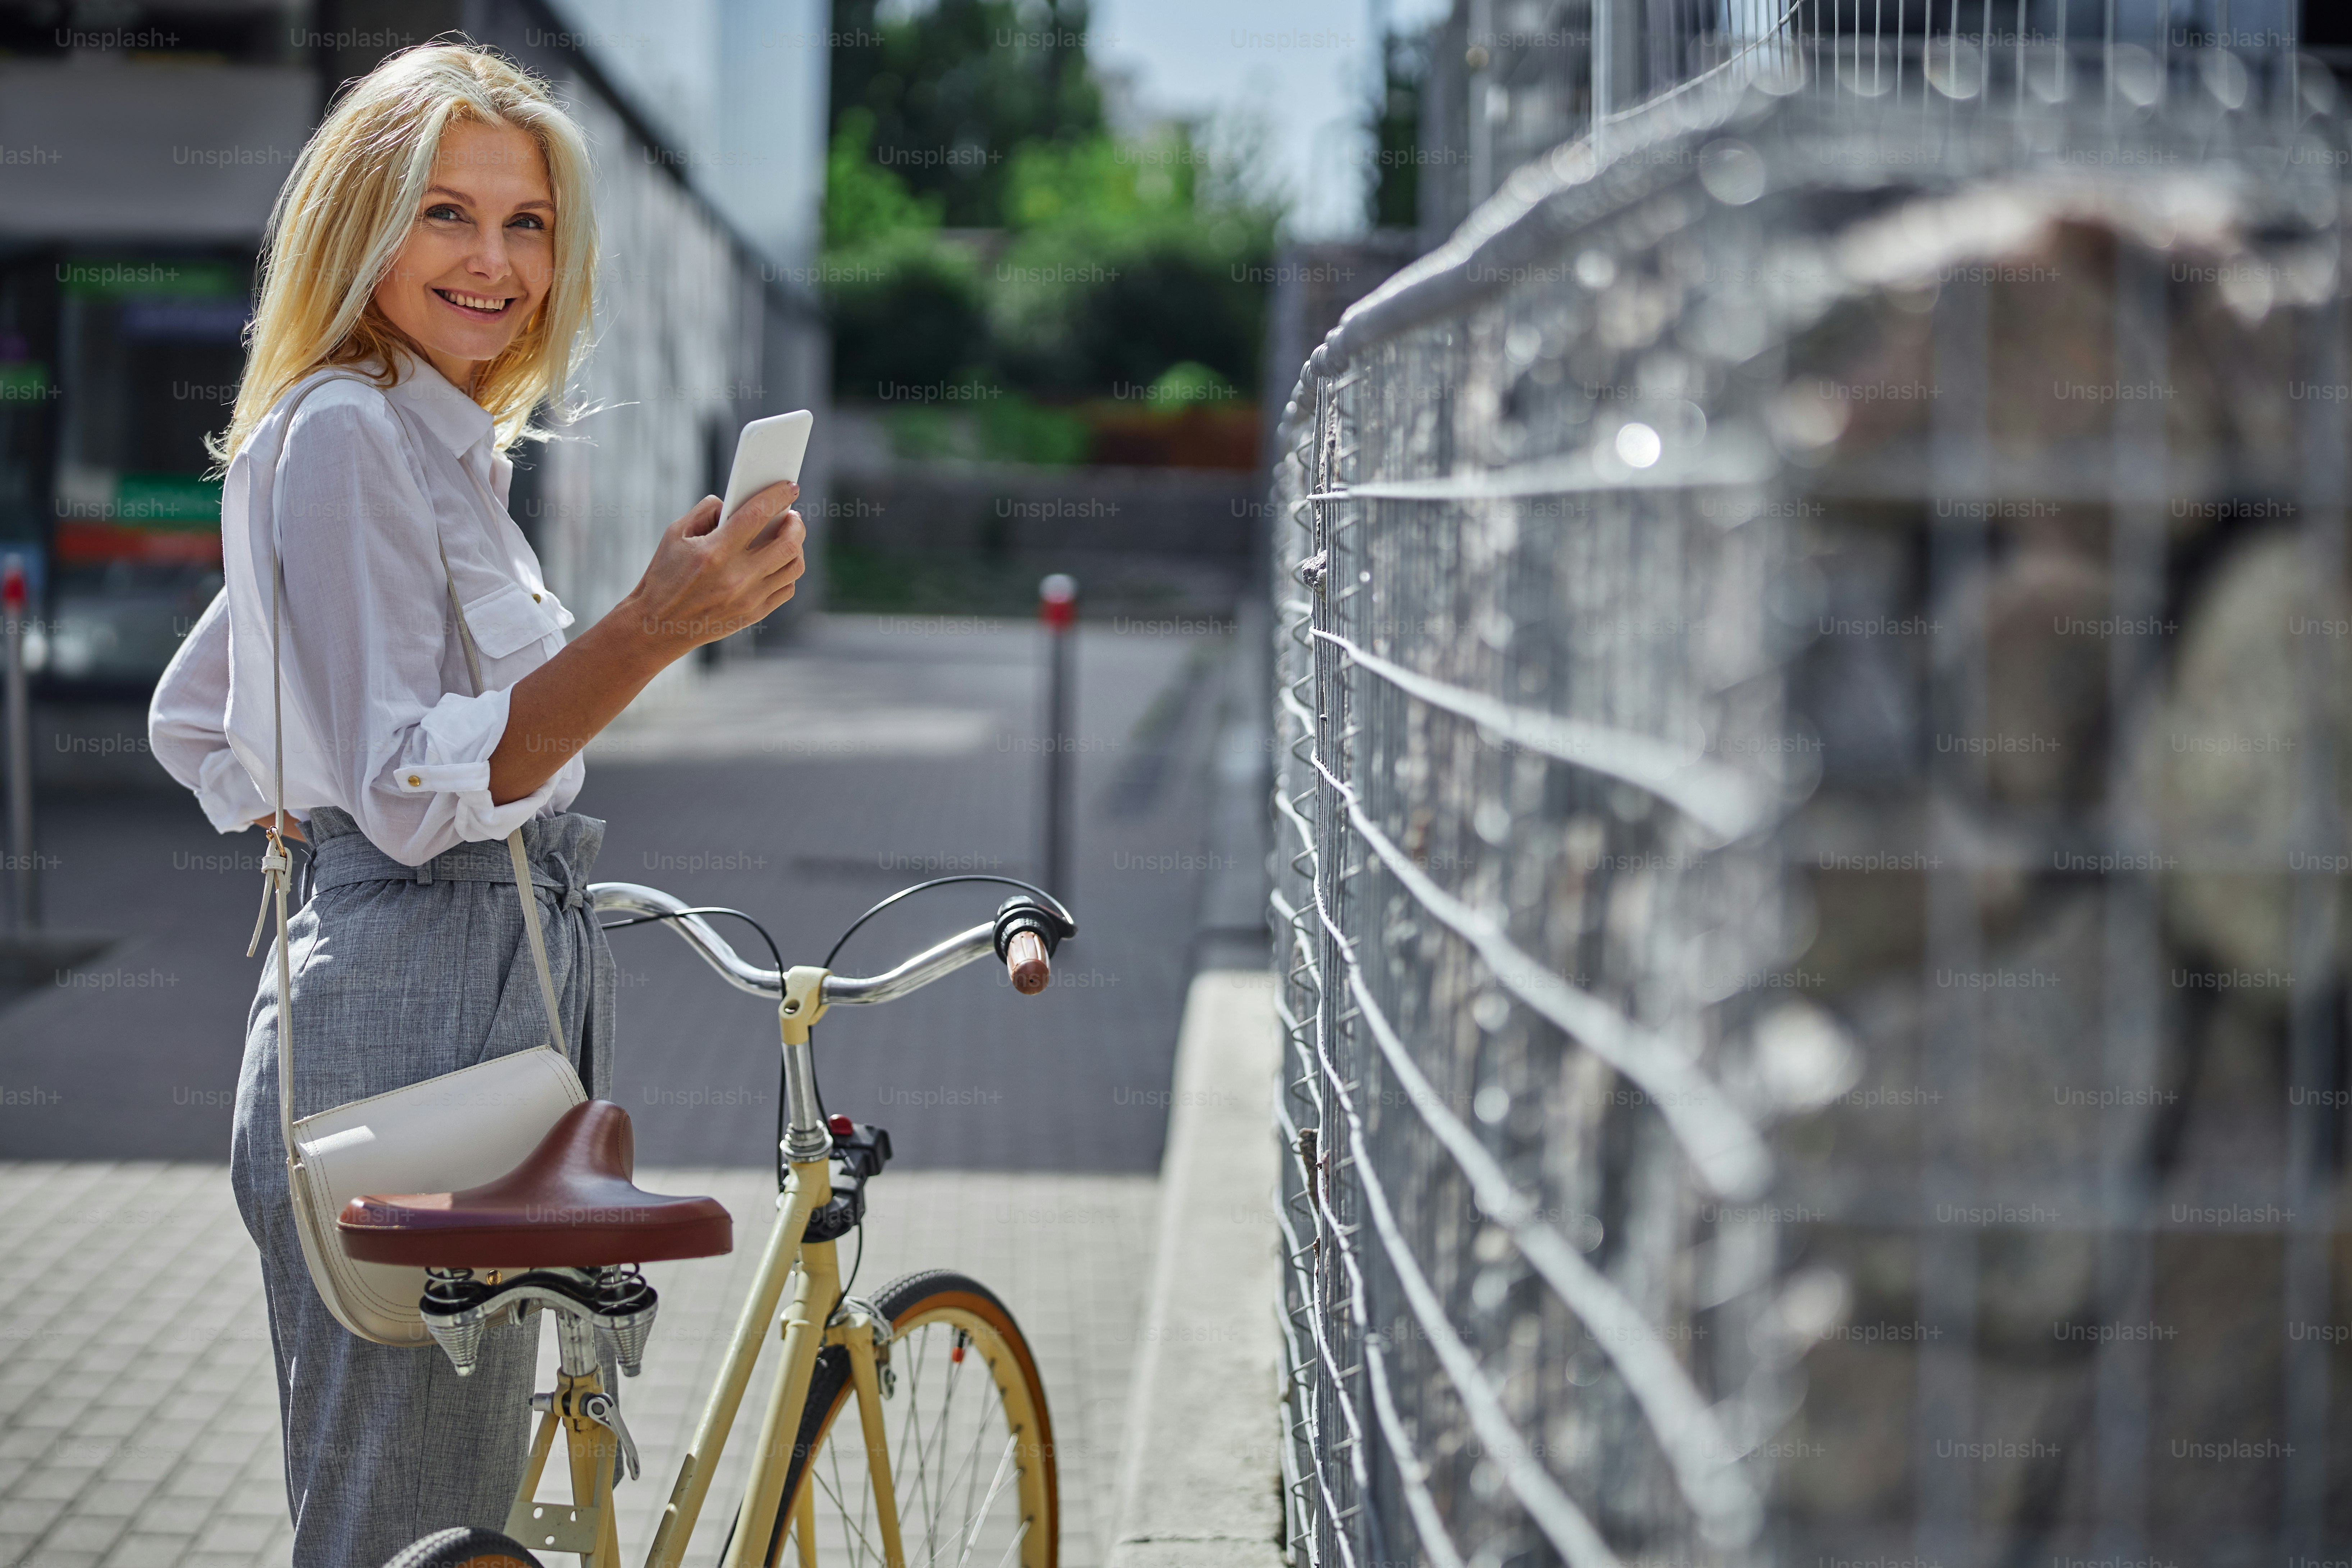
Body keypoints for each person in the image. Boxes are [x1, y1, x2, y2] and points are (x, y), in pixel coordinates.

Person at [146, 43, 804, 1567]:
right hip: (411, 1016)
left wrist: (301, 817)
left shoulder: (424, 441)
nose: (496, 261)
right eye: (448, 213)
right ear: (360, 222)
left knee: (451, 1516)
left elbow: (198, 711)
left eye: (528, 224)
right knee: (410, 1530)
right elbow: (416, 788)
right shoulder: (350, 435)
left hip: (457, 999)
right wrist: (650, 630)